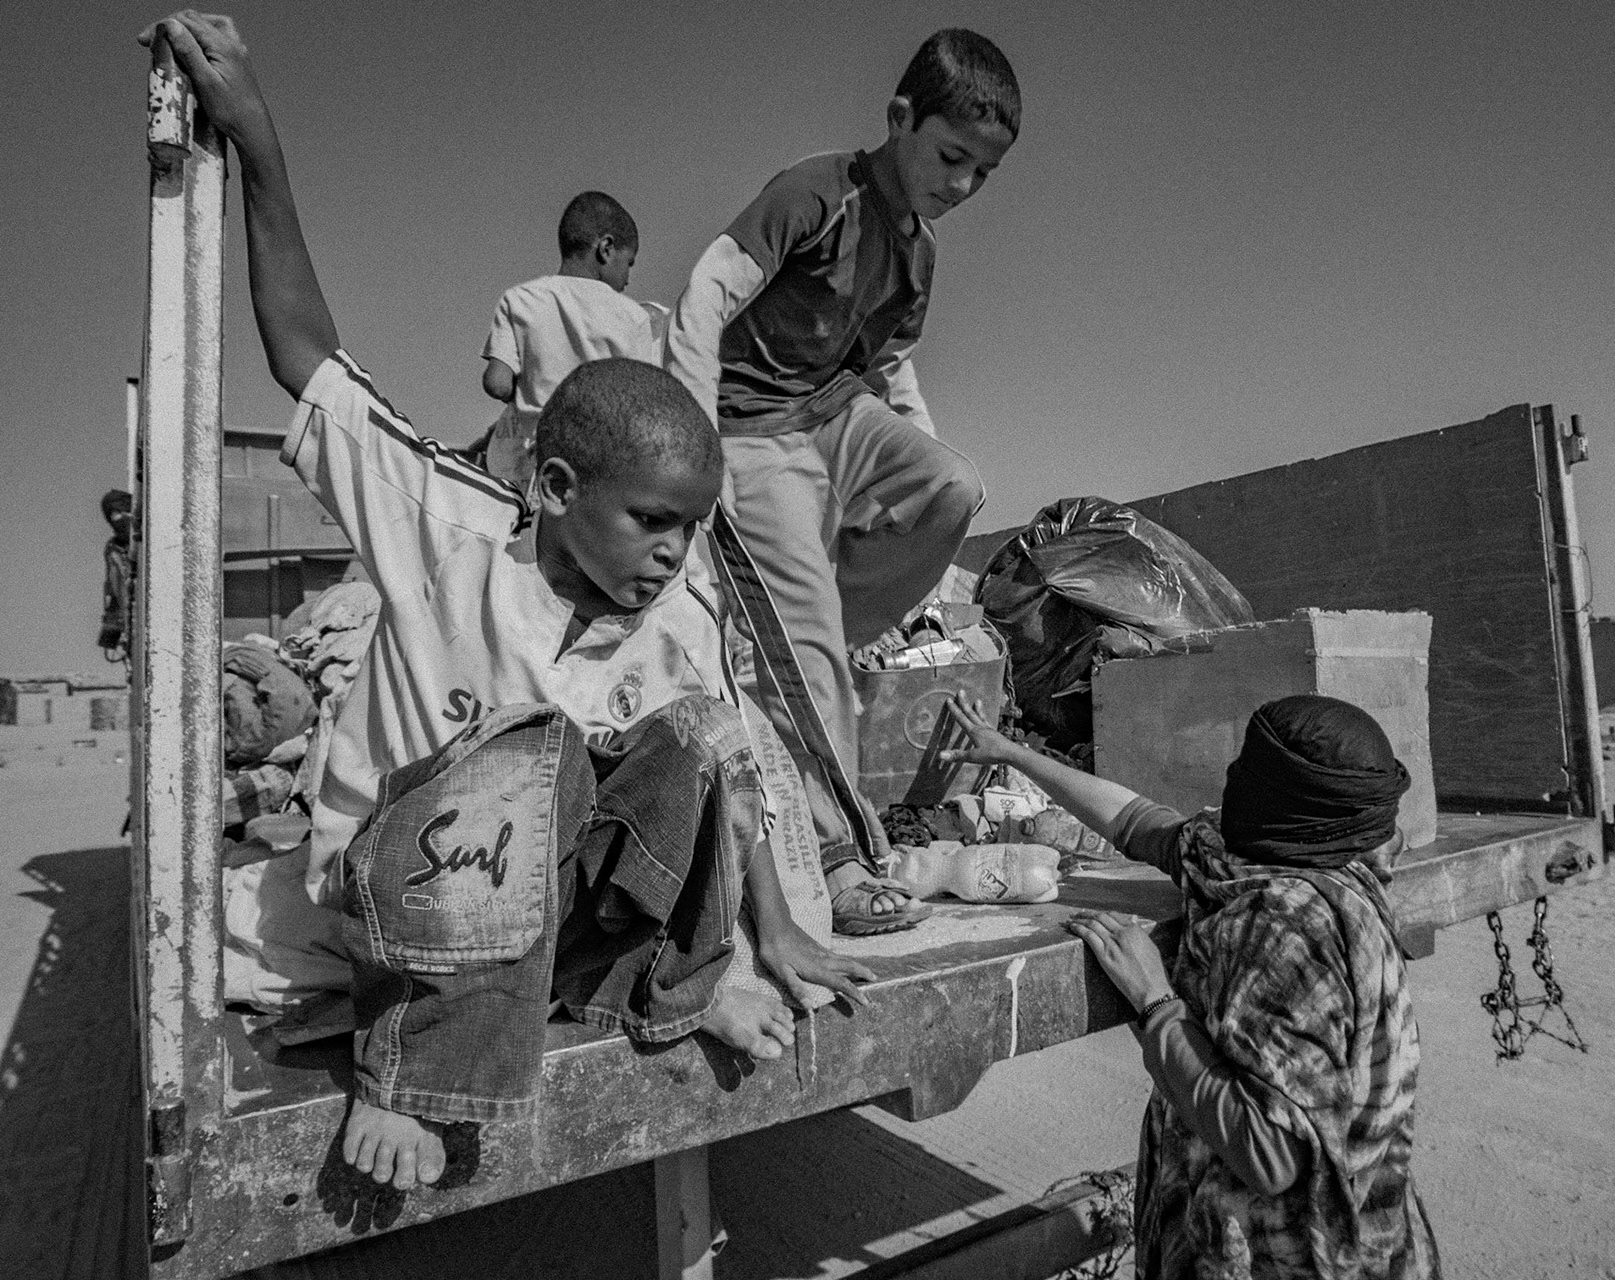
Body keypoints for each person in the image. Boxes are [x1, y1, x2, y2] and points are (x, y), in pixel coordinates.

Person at [142, 11, 874, 1191]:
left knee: (696, 738)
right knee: (538, 752)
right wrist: (257, 139)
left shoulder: (680, 608)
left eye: (691, 527)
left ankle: (666, 983)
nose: (673, 553)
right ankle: (416, 1072)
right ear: (556, 486)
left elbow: (729, 786)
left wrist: (777, 928)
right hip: (406, 891)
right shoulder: (444, 527)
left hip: (545, 901)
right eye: (652, 521)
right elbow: (306, 357)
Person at [663, 29, 1018, 935]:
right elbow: (704, 297)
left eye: (983, 172)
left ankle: (795, 637)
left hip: (835, 414)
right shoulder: (817, 193)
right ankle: (837, 860)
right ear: (900, 119)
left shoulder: (919, 253)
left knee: (955, 487)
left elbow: (890, 368)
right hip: (751, 428)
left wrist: (921, 464)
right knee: (812, 643)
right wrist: (694, 450)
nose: (962, 185)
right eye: (951, 157)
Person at [943, 695, 1442, 1279]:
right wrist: (1015, 755)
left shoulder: (1286, 927)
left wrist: (1155, 1002)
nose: (1233, 776)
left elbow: (1271, 1153)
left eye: (1250, 770)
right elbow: (1138, 823)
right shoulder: (1286, 854)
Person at [479, 191, 669, 490]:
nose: (628, 277)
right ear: (606, 249)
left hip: (535, 463)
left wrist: (527, 387)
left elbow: (497, 383)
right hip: (601, 468)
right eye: (629, 263)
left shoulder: (520, 299)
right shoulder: (633, 317)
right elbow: (645, 405)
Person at [98, 489, 135, 660]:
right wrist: (111, 632)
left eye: (123, 511)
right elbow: (112, 591)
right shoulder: (113, 551)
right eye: (114, 514)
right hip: (135, 622)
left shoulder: (152, 537)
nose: (119, 518)